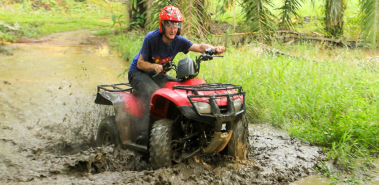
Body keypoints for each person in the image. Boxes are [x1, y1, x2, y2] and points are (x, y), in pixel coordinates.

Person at [128, 6, 225, 125]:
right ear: (162, 25)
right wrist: (154, 66)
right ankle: (145, 131)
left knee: (177, 88)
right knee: (153, 92)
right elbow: (140, 63)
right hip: (137, 73)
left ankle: (177, 125)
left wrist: (214, 49)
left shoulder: (178, 41)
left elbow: (199, 47)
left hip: (156, 74)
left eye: (175, 25)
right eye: (169, 25)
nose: (172, 29)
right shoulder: (151, 39)